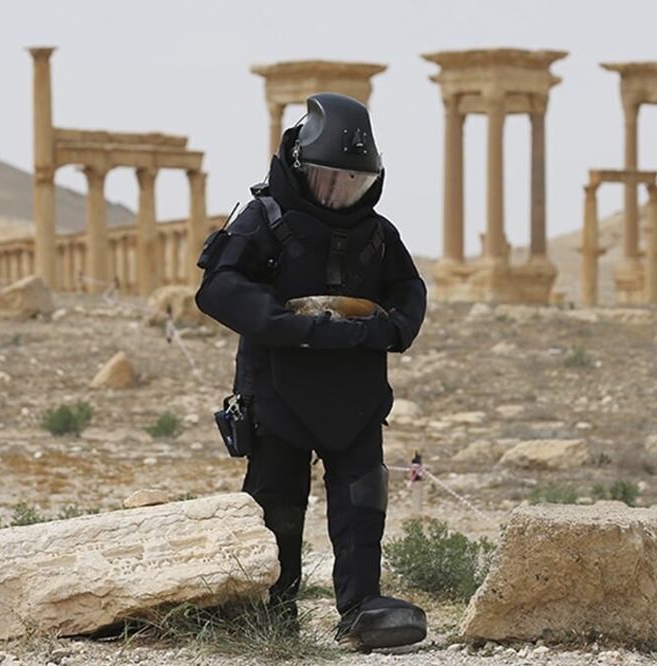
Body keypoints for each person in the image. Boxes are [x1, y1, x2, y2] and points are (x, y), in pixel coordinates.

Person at [195, 92, 427, 649]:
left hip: (355, 393)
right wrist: (292, 326)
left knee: (363, 497)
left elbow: (408, 291)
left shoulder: (378, 234)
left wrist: (389, 328)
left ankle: (362, 608)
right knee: (277, 502)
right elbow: (218, 288)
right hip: (278, 392)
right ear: (300, 169)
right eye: (330, 180)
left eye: (355, 183)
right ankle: (274, 613)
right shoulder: (264, 218)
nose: (341, 193)